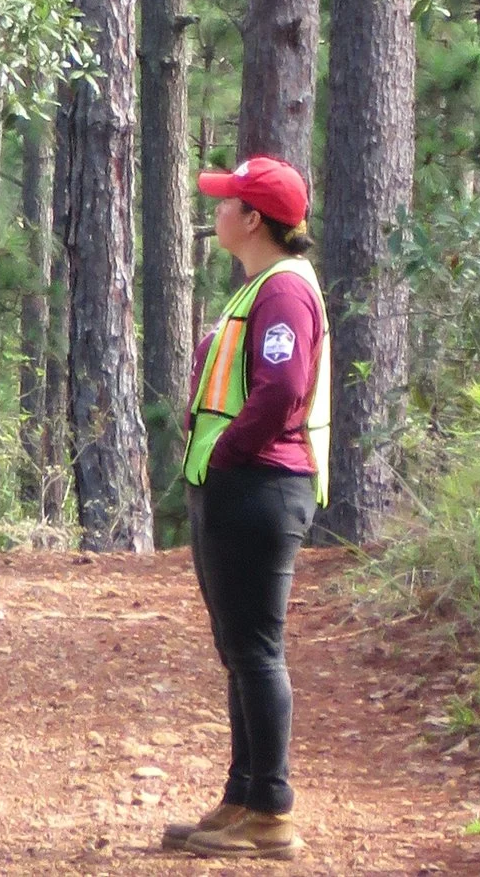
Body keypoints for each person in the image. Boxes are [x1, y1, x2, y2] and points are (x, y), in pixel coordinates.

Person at [163, 153, 331, 863]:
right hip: (236, 483)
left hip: (259, 485)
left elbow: (282, 387)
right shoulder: (260, 284)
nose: (218, 210)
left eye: (228, 200)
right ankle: (242, 796)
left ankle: (272, 808)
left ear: (255, 218)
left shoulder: (285, 290)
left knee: (256, 652)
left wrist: (229, 451)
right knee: (239, 650)